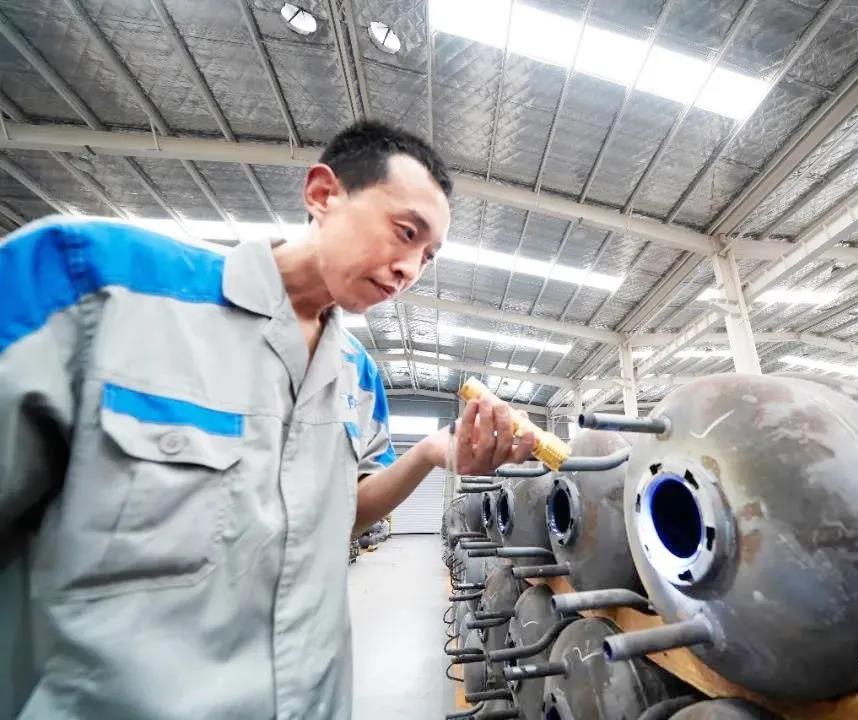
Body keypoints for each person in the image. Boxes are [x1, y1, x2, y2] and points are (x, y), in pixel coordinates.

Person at [0, 121, 537, 719]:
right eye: (405, 232)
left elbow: (343, 515)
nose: (409, 268)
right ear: (323, 194)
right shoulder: (94, 287)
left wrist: (431, 453)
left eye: (428, 257)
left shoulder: (357, 375)